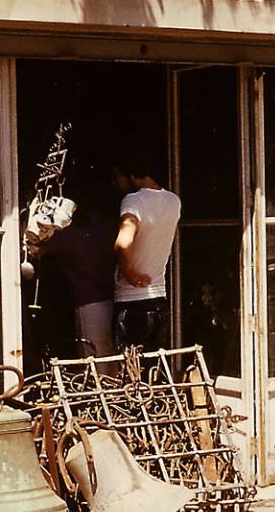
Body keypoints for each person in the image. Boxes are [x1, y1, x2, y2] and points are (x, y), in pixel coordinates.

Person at [112, 154, 181, 353]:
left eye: (117, 176)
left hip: (131, 299)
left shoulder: (133, 200)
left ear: (132, 175)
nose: (115, 182)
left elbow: (123, 243)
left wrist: (129, 273)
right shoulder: (173, 201)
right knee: (154, 370)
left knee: (130, 372)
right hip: (159, 296)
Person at [46, 175, 117, 359]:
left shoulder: (67, 236)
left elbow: (40, 248)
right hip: (114, 297)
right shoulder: (104, 224)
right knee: (111, 356)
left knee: (94, 357)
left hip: (90, 303)